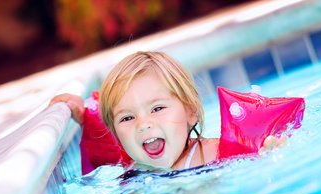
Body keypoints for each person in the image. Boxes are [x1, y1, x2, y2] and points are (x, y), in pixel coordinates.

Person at [50, 51, 282, 171]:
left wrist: (268, 150)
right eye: (127, 117)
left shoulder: (217, 153)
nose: (143, 124)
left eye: (157, 108)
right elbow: (104, 149)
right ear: (116, 133)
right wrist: (86, 118)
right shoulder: (131, 165)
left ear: (190, 111)